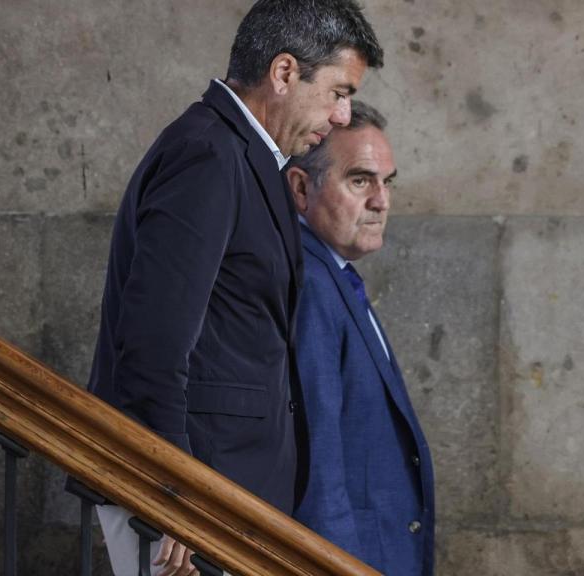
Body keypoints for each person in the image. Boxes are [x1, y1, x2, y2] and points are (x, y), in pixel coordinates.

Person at [85, 1, 383, 574]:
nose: (344, 116)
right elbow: (152, 343)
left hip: (223, 498)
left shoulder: (241, 154)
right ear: (285, 72)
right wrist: (176, 491)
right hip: (188, 506)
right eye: (338, 92)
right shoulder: (208, 153)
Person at [285, 101, 435, 575]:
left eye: (386, 182)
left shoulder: (334, 275)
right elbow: (319, 462)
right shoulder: (310, 283)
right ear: (301, 188)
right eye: (360, 180)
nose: (381, 201)